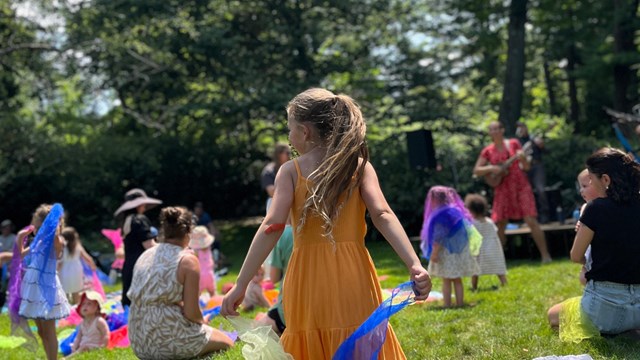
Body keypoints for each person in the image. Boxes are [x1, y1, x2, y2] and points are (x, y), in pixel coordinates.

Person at [221, 88, 432, 359]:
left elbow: (271, 226)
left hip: (307, 276)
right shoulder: (358, 166)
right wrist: (414, 263)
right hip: (353, 271)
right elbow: (383, 215)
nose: (289, 137)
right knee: (361, 338)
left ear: (305, 131)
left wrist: (241, 283)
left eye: (290, 129)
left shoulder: (290, 171)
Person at [548, 148, 640, 338]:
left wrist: (590, 262)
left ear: (605, 180)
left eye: (591, 179)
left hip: (604, 309)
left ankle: (615, 332)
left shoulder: (595, 209)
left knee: (553, 315)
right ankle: (629, 330)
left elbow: (575, 256)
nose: (588, 184)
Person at [128, 207, 233, 358]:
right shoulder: (187, 260)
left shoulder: (145, 255)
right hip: (168, 339)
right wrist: (202, 321)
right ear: (189, 232)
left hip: (139, 342)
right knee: (227, 342)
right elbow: (191, 313)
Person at [473, 121, 552, 263]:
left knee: (530, 219)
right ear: (489, 133)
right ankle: (499, 261)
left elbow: (526, 167)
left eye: (498, 128)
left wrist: (522, 158)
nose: (495, 131)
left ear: (502, 130)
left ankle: (545, 256)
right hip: (502, 188)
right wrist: (492, 168)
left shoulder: (514, 143)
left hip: (520, 185)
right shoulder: (488, 150)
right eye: (492, 129)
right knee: (500, 223)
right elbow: (477, 170)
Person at [16, 203, 70, 360]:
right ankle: (49, 357)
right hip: (33, 287)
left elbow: (55, 245)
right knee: (41, 330)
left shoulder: (55, 239)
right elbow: (20, 255)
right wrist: (21, 238)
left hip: (46, 286)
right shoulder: (38, 241)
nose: (32, 222)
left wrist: (53, 222)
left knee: (49, 329)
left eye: (35, 219)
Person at [420, 186, 480, 308]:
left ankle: (447, 304)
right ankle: (460, 303)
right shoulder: (455, 211)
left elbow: (439, 237)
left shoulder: (439, 215)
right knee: (457, 280)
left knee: (446, 280)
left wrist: (435, 253)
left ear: (433, 199)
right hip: (457, 253)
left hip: (445, 253)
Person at [114, 188, 161, 307]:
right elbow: (149, 246)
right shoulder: (139, 219)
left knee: (131, 304)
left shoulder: (126, 220)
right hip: (142, 267)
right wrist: (168, 248)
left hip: (129, 266)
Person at [256, 224, 293, 336]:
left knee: (256, 327)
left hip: (289, 314)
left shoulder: (285, 234)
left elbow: (274, 278)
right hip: (331, 312)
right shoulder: (331, 229)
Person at [464, 194, 507, 290]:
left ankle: (474, 287)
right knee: (498, 268)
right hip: (492, 250)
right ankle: (504, 282)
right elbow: (495, 233)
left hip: (479, 251)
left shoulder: (472, 224)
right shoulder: (490, 221)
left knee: (475, 270)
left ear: (471, 210)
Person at [516, 122, 550, 224]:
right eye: (519, 128)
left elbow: (547, 152)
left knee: (540, 190)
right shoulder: (517, 142)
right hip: (524, 169)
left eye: (522, 128)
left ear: (526, 128)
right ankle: (528, 217)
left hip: (537, 166)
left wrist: (542, 145)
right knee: (525, 192)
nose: (521, 130)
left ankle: (545, 215)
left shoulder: (534, 139)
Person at [575, 169, 605, 285]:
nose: (581, 191)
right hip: (590, 253)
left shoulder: (610, 206)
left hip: (604, 254)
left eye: (584, 186)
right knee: (584, 277)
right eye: (580, 187)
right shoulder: (586, 207)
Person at [58, 227, 97, 304]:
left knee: (64, 293)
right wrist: (93, 266)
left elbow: (60, 263)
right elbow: (88, 258)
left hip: (64, 272)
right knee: (76, 292)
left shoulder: (62, 248)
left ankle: (67, 312)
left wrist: (55, 272)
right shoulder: (78, 247)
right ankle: (77, 309)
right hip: (77, 271)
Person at [70, 290, 110, 354]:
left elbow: (105, 334)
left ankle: (69, 358)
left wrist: (102, 346)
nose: (85, 306)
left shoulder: (99, 321)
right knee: (78, 347)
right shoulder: (82, 323)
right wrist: (74, 347)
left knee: (83, 348)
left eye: (89, 304)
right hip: (83, 347)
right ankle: (74, 353)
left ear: (97, 307)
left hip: (95, 347)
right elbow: (78, 337)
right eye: (83, 304)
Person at [260, 143, 291, 213]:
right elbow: (272, 192)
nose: (289, 155)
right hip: (275, 205)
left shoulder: (292, 168)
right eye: (287, 153)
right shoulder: (269, 171)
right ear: (279, 154)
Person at [189, 225, 216, 296]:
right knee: (212, 292)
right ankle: (215, 303)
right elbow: (211, 260)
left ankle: (196, 306)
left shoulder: (196, 251)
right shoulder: (209, 248)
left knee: (197, 294)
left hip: (200, 276)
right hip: (210, 274)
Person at [0, 219, 15, 309]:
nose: (7, 229)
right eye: (5, 228)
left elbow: (15, 252)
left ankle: (8, 301)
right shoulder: (0, 238)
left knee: (8, 284)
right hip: (1, 265)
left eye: (8, 228)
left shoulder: (14, 238)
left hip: (10, 265)